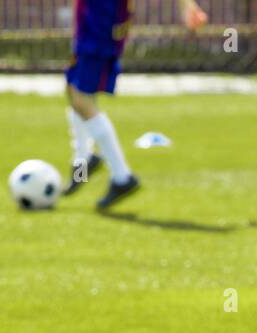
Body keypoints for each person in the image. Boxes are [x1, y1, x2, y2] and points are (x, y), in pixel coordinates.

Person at [63, 0, 207, 210]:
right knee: (73, 90)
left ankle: (122, 177)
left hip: (100, 26)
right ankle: (83, 164)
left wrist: (186, 5)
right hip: (90, 22)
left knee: (82, 99)